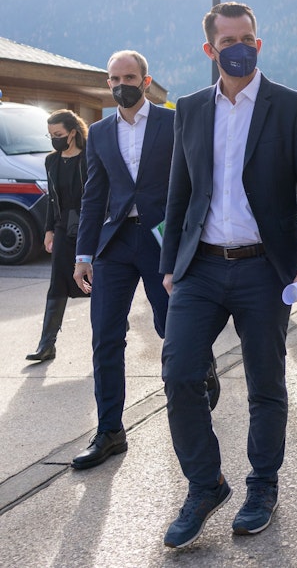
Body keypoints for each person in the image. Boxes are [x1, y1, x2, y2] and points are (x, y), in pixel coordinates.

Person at [159, 2, 297, 549]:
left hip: (265, 268)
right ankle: (205, 484)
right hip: (200, 268)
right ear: (210, 49)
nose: (240, 46)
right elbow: (179, 191)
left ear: (258, 43)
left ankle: (263, 485)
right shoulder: (189, 108)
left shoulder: (291, 105)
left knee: (265, 383)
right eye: (229, 39)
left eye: (249, 38)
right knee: (180, 373)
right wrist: (170, 265)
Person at [71, 51, 212, 470]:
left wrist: (191, 241)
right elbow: (94, 194)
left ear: (146, 81)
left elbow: (196, 181)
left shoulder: (174, 121)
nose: (120, 85)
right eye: (114, 78)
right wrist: (83, 254)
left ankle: (198, 378)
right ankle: (110, 431)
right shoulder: (98, 132)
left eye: (129, 77)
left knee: (172, 327)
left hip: (162, 240)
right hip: (114, 244)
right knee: (105, 337)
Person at [25, 110, 89, 362]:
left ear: (72, 133)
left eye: (58, 134)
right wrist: (49, 230)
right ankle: (47, 344)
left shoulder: (89, 158)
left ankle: (116, 325)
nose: (54, 139)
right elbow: (52, 199)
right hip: (63, 227)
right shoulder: (51, 161)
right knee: (58, 283)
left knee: (98, 281)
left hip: (88, 226)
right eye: (50, 135)